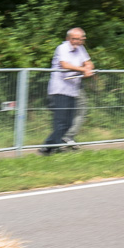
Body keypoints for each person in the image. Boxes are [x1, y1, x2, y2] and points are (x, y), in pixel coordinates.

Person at [42, 27, 94, 155]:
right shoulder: (63, 48)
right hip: (59, 89)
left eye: (79, 39)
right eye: (74, 39)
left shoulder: (80, 49)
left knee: (68, 122)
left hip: (72, 90)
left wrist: (88, 68)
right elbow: (65, 65)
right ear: (68, 38)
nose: (76, 41)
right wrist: (83, 70)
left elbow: (88, 62)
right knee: (60, 121)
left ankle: (47, 147)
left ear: (83, 40)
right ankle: (52, 148)